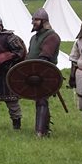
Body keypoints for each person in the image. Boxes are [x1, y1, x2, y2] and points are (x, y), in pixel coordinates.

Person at [27, 8, 61, 137]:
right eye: (33, 20)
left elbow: (45, 57)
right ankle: (44, 129)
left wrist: (36, 70)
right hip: (34, 74)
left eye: (36, 20)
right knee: (40, 100)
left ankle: (40, 132)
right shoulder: (34, 38)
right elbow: (30, 56)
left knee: (41, 100)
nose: (33, 22)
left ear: (44, 21)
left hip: (46, 73)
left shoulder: (52, 36)